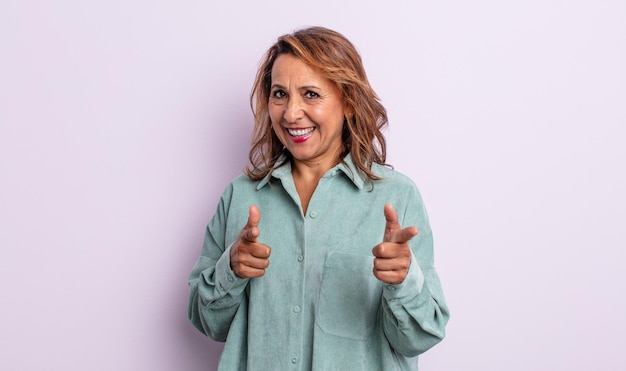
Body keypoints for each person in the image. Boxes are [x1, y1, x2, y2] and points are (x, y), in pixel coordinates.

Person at [188, 26, 449, 370]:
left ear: (350, 103)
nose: (291, 113)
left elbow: (420, 337)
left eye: (310, 94)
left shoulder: (397, 197)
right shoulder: (240, 196)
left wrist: (403, 282)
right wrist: (231, 270)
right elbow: (208, 324)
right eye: (279, 94)